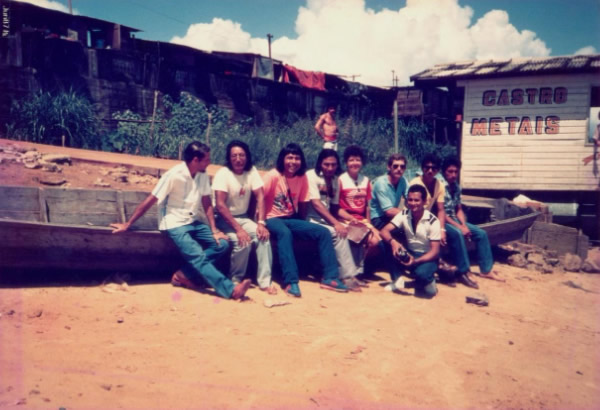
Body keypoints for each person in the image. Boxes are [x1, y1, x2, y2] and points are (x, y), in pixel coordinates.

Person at [110, 141, 251, 300]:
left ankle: (184, 274)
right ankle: (230, 290)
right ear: (195, 160)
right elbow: (150, 200)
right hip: (174, 223)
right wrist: (128, 224)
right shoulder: (173, 175)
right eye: (206, 159)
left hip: (193, 221)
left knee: (222, 244)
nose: (209, 162)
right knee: (197, 254)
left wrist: (214, 230)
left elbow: (206, 203)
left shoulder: (203, 175)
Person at [262, 143, 349, 297]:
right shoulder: (273, 175)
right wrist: (260, 222)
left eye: (297, 158)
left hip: (290, 218)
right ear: (283, 159)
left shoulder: (301, 178)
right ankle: (290, 281)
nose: (293, 162)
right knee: (285, 233)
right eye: (289, 158)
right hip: (271, 218)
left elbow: (302, 203)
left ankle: (330, 277)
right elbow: (259, 199)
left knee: (322, 232)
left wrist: (302, 226)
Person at [213, 140, 275, 294]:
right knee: (243, 241)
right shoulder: (223, 173)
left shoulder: (251, 171)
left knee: (263, 236)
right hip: (224, 219)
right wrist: (239, 229)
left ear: (247, 157)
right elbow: (220, 205)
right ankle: (235, 281)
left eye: (241, 155)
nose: (238, 159)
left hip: (244, 217)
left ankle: (264, 281)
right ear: (229, 157)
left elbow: (260, 196)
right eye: (234, 156)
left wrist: (261, 222)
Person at [305, 149, 365, 291]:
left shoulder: (335, 180)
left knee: (358, 230)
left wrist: (351, 219)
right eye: (326, 164)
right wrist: (337, 223)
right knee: (338, 233)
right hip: (311, 219)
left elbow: (335, 207)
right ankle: (347, 276)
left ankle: (355, 273)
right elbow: (317, 205)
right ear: (320, 163)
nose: (330, 168)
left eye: (333, 165)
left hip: (326, 219)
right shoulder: (311, 176)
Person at [442, 156, 500, 285]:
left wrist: (463, 225)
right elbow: (442, 213)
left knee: (481, 233)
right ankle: (465, 271)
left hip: (455, 220)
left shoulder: (456, 187)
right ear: (444, 172)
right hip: (442, 221)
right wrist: (460, 227)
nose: (453, 175)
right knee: (458, 234)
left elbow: (458, 209)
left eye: (456, 172)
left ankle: (486, 270)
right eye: (450, 172)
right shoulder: (440, 186)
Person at [379, 184, 440, 298]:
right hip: (409, 253)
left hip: (427, 257)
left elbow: (435, 252)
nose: (413, 203)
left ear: (424, 201)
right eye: (410, 200)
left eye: (417, 200)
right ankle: (397, 280)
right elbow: (384, 231)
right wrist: (394, 243)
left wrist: (415, 261)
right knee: (383, 243)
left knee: (422, 276)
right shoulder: (404, 214)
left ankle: (427, 281)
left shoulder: (433, 221)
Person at [337, 145, 382, 275]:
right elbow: (337, 208)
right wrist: (353, 220)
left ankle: (361, 267)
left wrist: (369, 224)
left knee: (376, 241)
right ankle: (354, 271)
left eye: (358, 160)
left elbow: (367, 206)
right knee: (359, 234)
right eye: (351, 160)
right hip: (345, 219)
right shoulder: (340, 180)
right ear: (346, 162)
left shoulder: (366, 180)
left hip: (361, 220)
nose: (355, 163)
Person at [370, 153, 409, 230]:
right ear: (389, 167)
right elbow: (389, 211)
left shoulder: (403, 180)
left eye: (402, 166)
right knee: (404, 230)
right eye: (395, 166)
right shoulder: (381, 183)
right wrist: (410, 214)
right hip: (378, 218)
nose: (399, 169)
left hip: (393, 216)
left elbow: (410, 197)